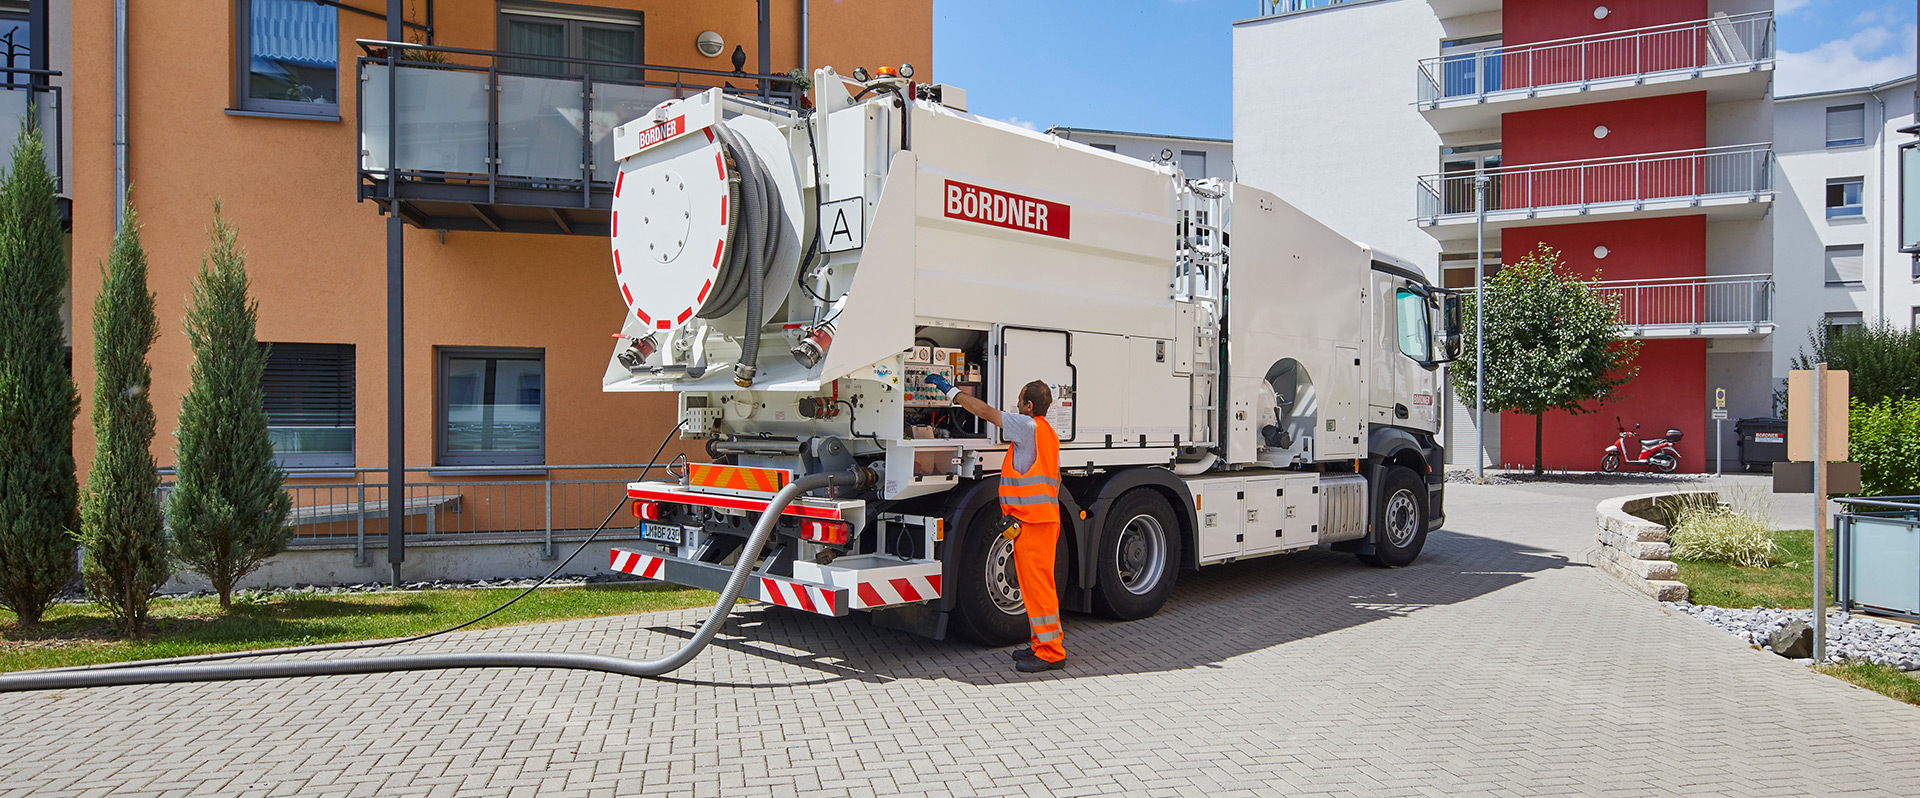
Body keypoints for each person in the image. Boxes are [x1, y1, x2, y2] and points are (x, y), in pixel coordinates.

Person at [925, 373, 1066, 673]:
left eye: (1018, 401)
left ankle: (1051, 652)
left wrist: (952, 392)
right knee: (1034, 588)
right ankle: (1041, 644)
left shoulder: (1027, 426)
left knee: (1039, 589)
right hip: (1038, 521)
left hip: (1034, 522)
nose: (1014, 406)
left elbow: (984, 412)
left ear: (1029, 406)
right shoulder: (1047, 433)